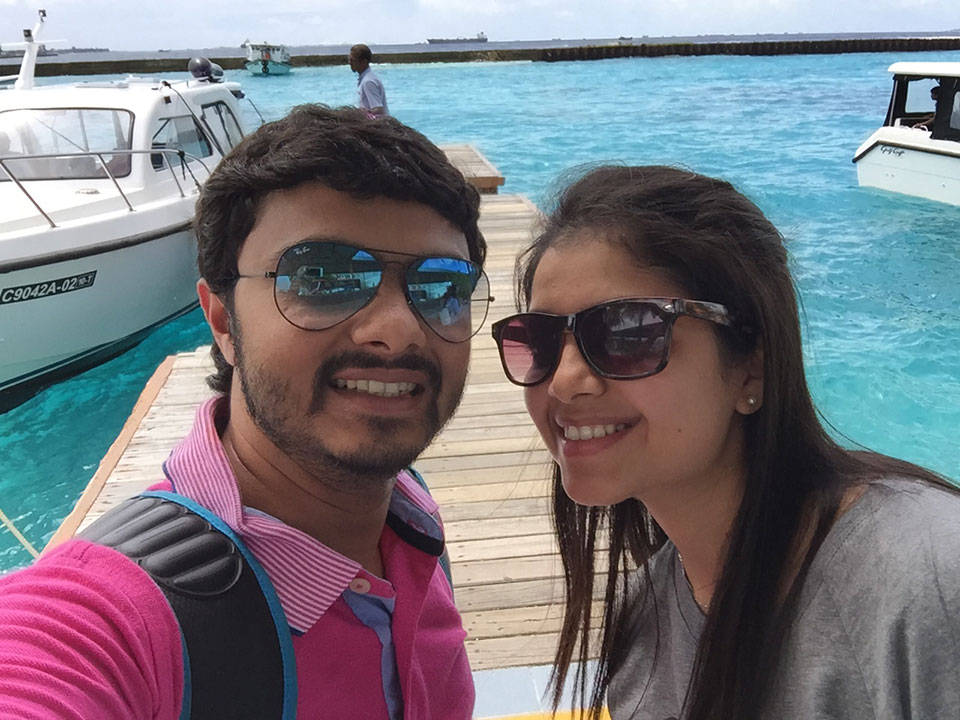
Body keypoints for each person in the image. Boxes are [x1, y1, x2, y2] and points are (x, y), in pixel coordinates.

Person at [0, 104, 490, 719]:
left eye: (440, 286)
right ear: (224, 321)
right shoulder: (111, 617)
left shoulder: (408, 511)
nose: (398, 329)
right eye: (322, 278)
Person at [490, 165, 960, 720]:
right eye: (540, 340)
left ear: (750, 367)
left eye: (628, 332)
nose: (565, 381)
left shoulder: (927, 580)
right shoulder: (648, 618)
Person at [349, 43, 389, 118]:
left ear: (364, 62)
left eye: (353, 60)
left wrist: (358, 113)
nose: (350, 63)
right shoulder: (367, 78)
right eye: (349, 59)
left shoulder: (368, 82)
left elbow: (378, 109)